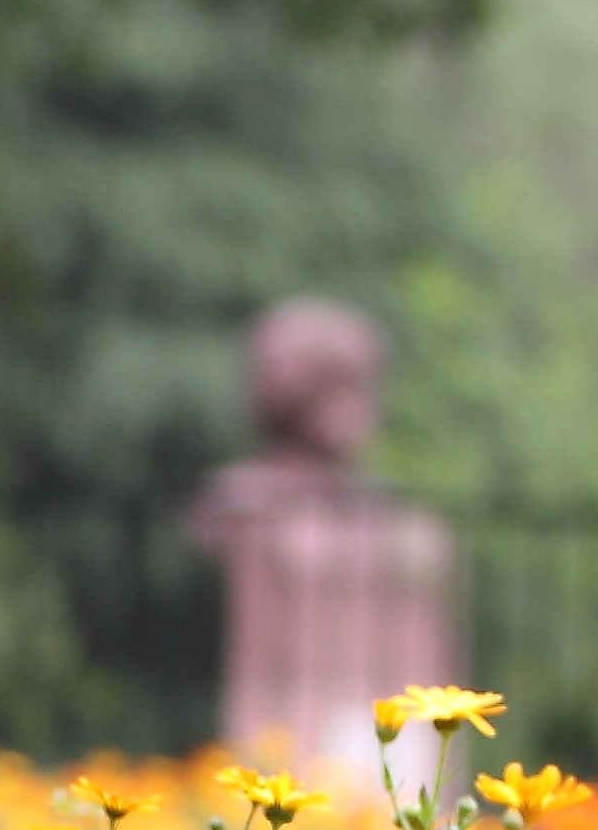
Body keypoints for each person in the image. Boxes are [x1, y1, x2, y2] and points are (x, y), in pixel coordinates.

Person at [191, 299, 463, 796]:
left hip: (388, 737)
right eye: (344, 388)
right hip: (293, 742)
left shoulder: (386, 516)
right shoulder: (248, 506)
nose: (364, 409)